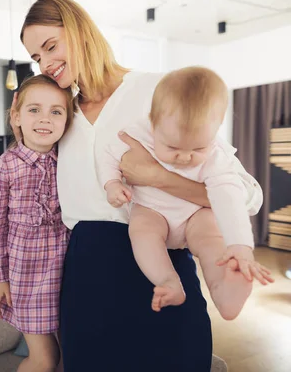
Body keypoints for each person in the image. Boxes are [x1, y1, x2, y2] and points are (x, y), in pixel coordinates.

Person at [17, 0, 263, 371]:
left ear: (81, 32)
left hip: (162, 266)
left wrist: (156, 177)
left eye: (51, 46)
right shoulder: (59, 115)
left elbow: (246, 194)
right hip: (87, 274)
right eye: (36, 57)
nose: (46, 63)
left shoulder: (158, 90)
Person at [98, 66, 274, 319]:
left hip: (194, 214)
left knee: (212, 240)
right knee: (141, 232)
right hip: (151, 210)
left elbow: (229, 197)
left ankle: (225, 290)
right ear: (154, 121)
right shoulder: (135, 132)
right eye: (173, 147)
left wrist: (240, 245)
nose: (184, 157)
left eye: (198, 148)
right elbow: (109, 156)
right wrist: (112, 183)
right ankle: (168, 281)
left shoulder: (216, 155)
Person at [0, 75, 74, 372]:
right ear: (17, 117)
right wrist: (0, 279)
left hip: (69, 275)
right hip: (28, 280)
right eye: (34, 110)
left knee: (70, 356)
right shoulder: (6, 165)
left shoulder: (69, 161)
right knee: (45, 359)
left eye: (56, 111)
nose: (45, 119)